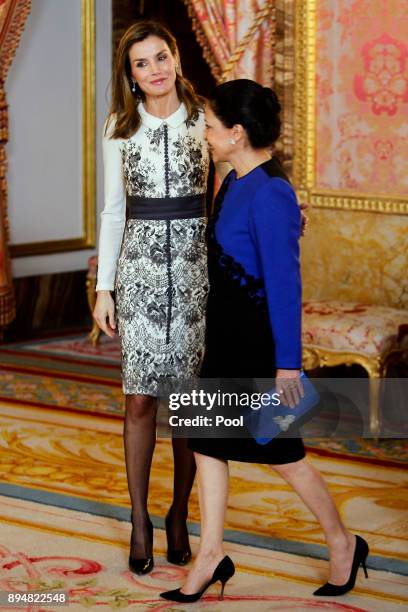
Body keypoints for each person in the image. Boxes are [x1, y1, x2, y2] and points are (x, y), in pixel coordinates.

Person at [160, 80, 369, 603]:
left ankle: (343, 541)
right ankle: (210, 554)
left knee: (283, 452)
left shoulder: (272, 191)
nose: (204, 134)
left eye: (210, 126)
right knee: (206, 444)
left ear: (236, 133)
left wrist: (289, 366)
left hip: (259, 349)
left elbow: (284, 283)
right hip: (222, 342)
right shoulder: (233, 181)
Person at [93, 20, 210, 575]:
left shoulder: (205, 118)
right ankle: (139, 519)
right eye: (142, 63)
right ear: (131, 76)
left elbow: (238, 177)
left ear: (176, 58)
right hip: (138, 272)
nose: (154, 69)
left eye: (161, 57)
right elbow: (113, 212)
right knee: (139, 399)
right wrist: (103, 288)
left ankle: (179, 513)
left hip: (195, 273)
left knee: (187, 404)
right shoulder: (120, 126)